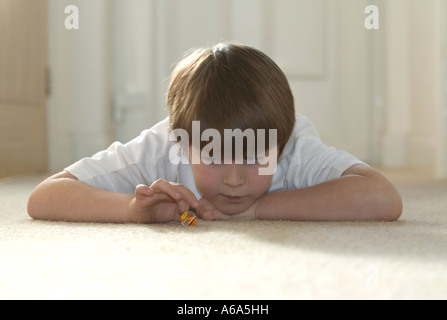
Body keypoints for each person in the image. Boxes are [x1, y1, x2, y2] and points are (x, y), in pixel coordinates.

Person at [27, 42, 402, 224]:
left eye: (256, 157)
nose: (235, 179)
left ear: (280, 143)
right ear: (182, 143)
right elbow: (45, 196)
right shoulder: (164, 145)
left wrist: (260, 209)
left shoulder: (292, 142)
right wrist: (129, 211)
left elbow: (382, 197)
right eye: (214, 155)